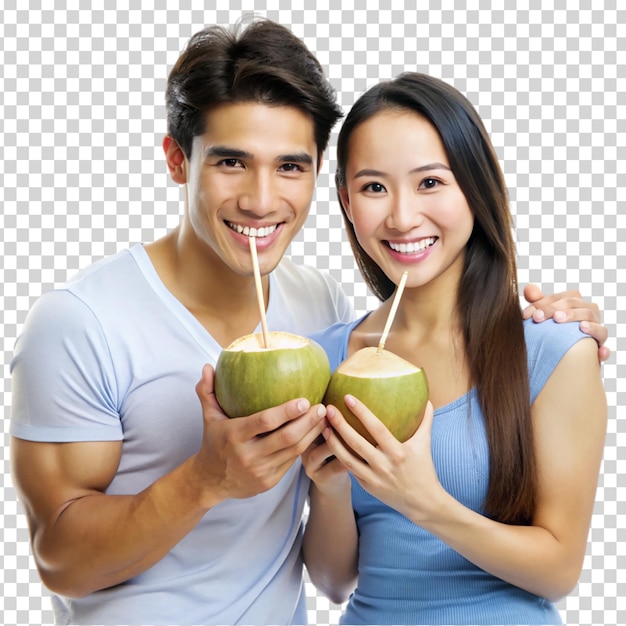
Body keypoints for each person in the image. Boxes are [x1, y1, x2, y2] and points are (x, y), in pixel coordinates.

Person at [9, 18, 606, 626]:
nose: (262, 199)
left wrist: (555, 327)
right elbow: (60, 565)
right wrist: (207, 480)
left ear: (319, 175)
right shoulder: (80, 323)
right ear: (177, 160)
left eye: (290, 167)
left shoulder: (318, 310)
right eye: (232, 162)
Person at [302, 72, 608, 625]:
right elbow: (332, 581)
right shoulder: (328, 359)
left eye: (430, 183)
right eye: (374, 187)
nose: (401, 217)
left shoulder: (554, 350)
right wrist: (328, 487)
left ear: (474, 185)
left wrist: (425, 501)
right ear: (347, 202)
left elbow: (559, 570)